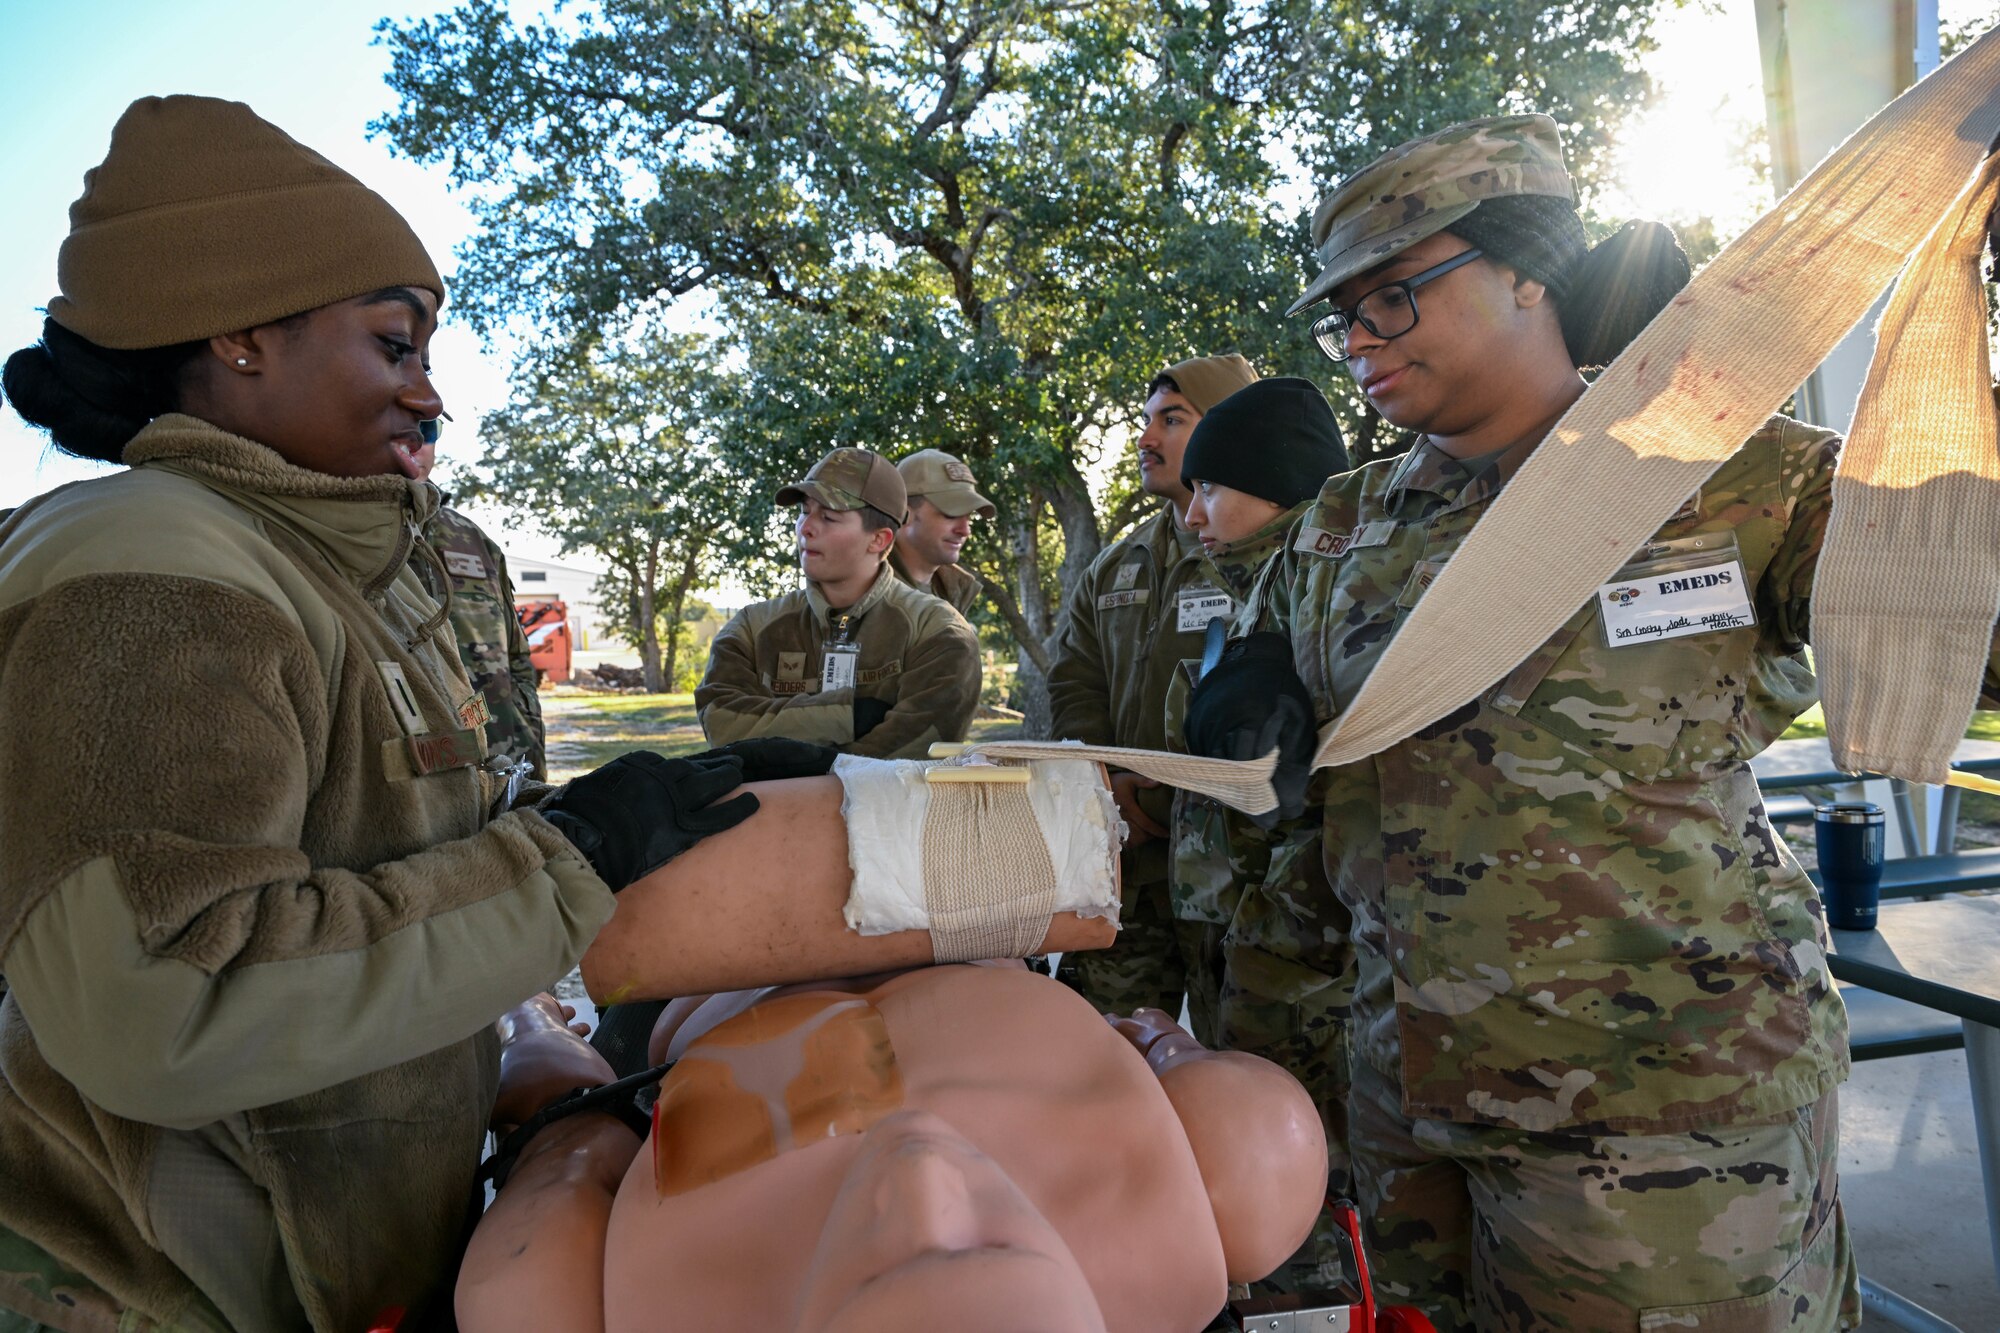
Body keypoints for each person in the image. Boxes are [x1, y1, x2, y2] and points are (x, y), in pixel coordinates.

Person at [1180, 112, 1994, 1329]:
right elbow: (1295, 792)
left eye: (1391, 294)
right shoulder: (1341, 528)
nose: (1353, 336)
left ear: (1525, 270)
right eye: (1336, 312)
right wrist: (1240, 681)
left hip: (1665, 1126)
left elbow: (1961, 634)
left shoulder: (1734, 477)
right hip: (1404, 1109)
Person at [0, 96, 755, 1333]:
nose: (431, 396)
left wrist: (609, 819)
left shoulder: (303, 564)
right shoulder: (150, 566)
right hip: (149, 1289)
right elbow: (166, 1004)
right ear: (242, 333)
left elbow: (376, 852)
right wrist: (568, 865)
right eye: (395, 345)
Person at [455, 964, 1329, 1333]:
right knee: (1259, 1153)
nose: (920, 1169)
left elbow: (565, 1129)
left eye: (876, 1270)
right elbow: (1172, 1052)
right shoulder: (1205, 1204)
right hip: (965, 942)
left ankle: (533, 1006)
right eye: (993, 1241)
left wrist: (534, 1028)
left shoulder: (573, 1300)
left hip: (735, 1001)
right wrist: (1153, 1041)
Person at [1159, 377, 1354, 1292]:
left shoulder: (1317, 585)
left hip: (1298, 951)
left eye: (1212, 489)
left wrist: (1268, 917)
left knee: (1313, 1171)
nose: (1193, 513)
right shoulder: (1242, 593)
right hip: (1241, 936)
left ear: (1277, 485)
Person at [1047, 353, 1258, 1017]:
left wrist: (1170, 797)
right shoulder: (1115, 567)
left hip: (1236, 884)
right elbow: (1073, 679)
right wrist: (1106, 780)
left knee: (1250, 1082)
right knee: (1107, 1058)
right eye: (1146, 421)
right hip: (1126, 875)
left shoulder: (1265, 554)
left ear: (1228, 429)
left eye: (1172, 419)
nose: (1145, 439)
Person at [697, 447, 982, 761]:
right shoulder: (753, 628)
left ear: (880, 540)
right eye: (804, 511)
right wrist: (852, 716)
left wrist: (780, 753)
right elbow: (720, 721)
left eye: (829, 517)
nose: (806, 527)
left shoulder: (939, 632)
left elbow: (914, 754)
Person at [408, 436, 548, 779]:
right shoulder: (346, 538)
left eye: (429, 429)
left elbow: (516, 658)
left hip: (505, 761)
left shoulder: (469, 538)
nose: (416, 440)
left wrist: (526, 740)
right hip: (416, 778)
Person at [890, 448, 993, 614]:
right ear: (904, 514)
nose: (965, 530)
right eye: (951, 514)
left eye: (969, 516)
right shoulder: (863, 594)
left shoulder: (953, 592)